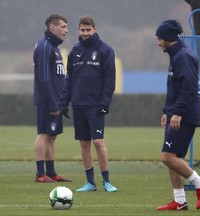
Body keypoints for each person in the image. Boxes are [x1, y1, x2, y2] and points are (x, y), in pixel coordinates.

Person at [155, 20, 200, 210]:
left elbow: (189, 88)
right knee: (174, 158)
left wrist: (178, 112)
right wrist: (168, 112)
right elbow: (176, 88)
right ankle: (179, 201)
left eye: (159, 38)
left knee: (167, 157)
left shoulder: (183, 56)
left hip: (185, 116)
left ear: (168, 38)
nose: (158, 42)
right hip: (176, 114)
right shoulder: (176, 54)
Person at [61, 15, 117, 192]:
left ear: (95, 29)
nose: (85, 33)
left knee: (98, 142)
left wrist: (105, 102)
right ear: (78, 30)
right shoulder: (74, 51)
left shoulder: (105, 50)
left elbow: (110, 79)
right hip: (79, 105)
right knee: (84, 144)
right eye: (82, 30)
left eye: (88, 30)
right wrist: (64, 102)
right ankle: (90, 183)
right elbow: (69, 79)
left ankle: (107, 181)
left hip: (96, 106)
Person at [33, 14, 71, 183]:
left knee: (52, 135)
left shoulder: (54, 47)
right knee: (43, 134)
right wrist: (53, 102)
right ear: (52, 27)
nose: (66, 30)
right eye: (63, 26)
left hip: (55, 99)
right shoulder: (45, 47)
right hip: (47, 100)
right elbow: (44, 78)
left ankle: (51, 172)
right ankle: (40, 174)